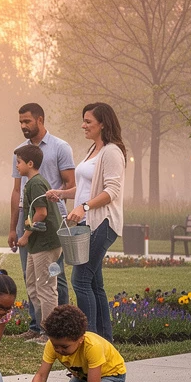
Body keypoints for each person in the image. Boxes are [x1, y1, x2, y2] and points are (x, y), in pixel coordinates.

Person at [47, 102, 126, 342]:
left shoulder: (111, 151)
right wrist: (62, 194)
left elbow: (111, 191)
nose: (83, 125)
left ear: (103, 124)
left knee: (80, 279)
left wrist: (84, 207)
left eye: (88, 121)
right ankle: (105, 342)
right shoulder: (93, 149)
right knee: (94, 283)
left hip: (101, 223)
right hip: (86, 224)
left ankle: (88, 341)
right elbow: (86, 188)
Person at [8, 103, 75, 338]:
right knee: (32, 276)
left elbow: (70, 185)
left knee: (55, 277)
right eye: (20, 122)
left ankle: (61, 327)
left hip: (49, 224)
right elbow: (17, 192)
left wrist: (55, 202)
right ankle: (36, 327)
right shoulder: (20, 152)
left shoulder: (60, 147)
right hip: (27, 219)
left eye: (27, 121)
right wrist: (14, 229)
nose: (23, 126)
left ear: (40, 119)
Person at [24, 304, 145, 382]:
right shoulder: (53, 344)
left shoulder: (92, 347)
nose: (59, 350)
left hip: (110, 375)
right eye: (56, 345)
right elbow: (41, 375)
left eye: (65, 347)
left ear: (81, 338)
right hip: (83, 376)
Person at [14, 145, 62, 332]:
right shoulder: (32, 183)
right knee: (33, 286)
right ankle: (37, 329)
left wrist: (25, 236)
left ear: (30, 163)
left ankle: (50, 333)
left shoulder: (36, 183)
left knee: (46, 287)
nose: (17, 166)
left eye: (19, 162)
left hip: (46, 244)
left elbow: (41, 213)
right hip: (37, 245)